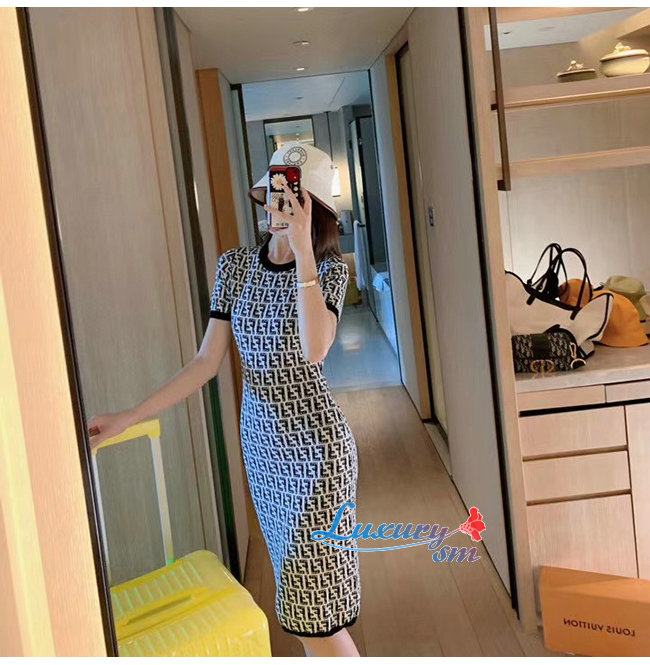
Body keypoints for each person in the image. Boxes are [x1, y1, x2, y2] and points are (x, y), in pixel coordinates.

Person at [87, 143, 361, 657]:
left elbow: (316, 348)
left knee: (315, 613)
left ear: (316, 208)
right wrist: (130, 416)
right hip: (263, 453)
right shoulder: (234, 267)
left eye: (293, 195)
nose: (279, 204)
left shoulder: (328, 271)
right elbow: (205, 363)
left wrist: (303, 253)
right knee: (303, 615)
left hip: (317, 456)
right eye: (274, 192)